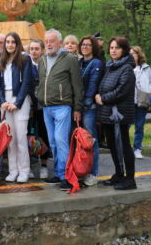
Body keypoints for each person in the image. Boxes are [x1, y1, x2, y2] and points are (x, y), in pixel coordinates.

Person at [37, 29, 83, 191]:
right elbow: (40, 82)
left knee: (61, 140)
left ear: (59, 43)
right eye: (46, 41)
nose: (48, 44)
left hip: (62, 106)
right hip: (46, 107)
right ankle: (57, 173)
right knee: (53, 143)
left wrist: (77, 107)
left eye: (52, 41)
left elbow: (77, 85)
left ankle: (66, 176)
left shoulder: (69, 58)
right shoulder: (42, 60)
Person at [95, 37, 137, 190]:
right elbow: (104, 85)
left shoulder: (126, 68)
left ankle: (130, 179)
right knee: (113, 146)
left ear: (124, 50)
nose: (113, 50)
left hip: (120, 114)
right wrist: (99, 96)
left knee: (123, 146)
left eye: (117, 48)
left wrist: (103, 99)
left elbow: (121, 91)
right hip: (107, 113)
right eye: (111, 47)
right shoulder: (110, 66)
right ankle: (119, 173)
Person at [0, 32, 34, 183]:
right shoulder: (2, 60)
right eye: (7, 42)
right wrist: (2, 101)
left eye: (13, 42)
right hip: (5, 101)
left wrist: (16, 103)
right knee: (9, 139)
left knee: (20, 138)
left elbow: (26, 83)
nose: (10, 45)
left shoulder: (25, 59)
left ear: (17, 44)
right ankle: (13, 170)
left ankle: (24, 171)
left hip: (21, 100)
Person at [78, 35, 104, 186]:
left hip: (88, 107)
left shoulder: (96, 63)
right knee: (79, 140)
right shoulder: (79, 62)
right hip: (78, 106)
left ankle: (93, 173)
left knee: (90, 140)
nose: (85, 47)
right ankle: (81, 169)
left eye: (88, 45)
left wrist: (83, 104)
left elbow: (93, 85)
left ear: (93, 47)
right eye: (83, 44)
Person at [28, 39, 50, 179]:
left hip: (43, 106)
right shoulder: (25, 65)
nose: (34, 51)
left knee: (44, 135)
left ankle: (43, 166)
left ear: (42, 50)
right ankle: (29, 166)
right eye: (31, 49)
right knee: (28, 136)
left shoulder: (47, 64)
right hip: (29, 106)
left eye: (37, 48)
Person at [129, 46, 151, 159]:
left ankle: (137, 148)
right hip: (129, 101)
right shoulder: (126, 67)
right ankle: (125, 148)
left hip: (142, 101)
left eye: (134, 53)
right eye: (129, 53)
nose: (132, 55)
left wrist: (148, 90)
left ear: (139, 55)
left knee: (139, 126)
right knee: (126, 126)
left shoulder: (146, 68)